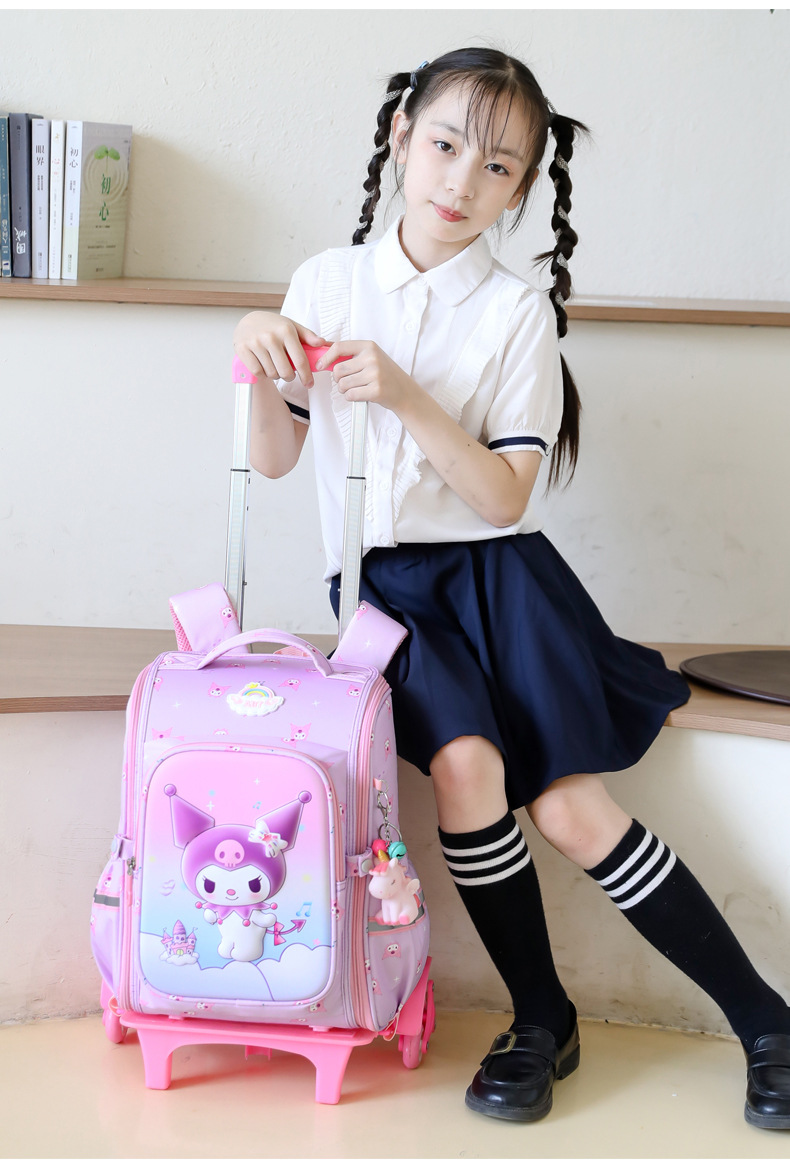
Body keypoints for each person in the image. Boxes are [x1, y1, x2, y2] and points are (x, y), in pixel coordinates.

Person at [233, 47, 790, 1128]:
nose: (460, 181)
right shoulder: (326, 283)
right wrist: (259, 359)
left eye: (496, 167)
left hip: (504, 583)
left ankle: (766, 1021)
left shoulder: (514, 310)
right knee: (466, 770)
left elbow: (501, 497)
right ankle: (543, 1017)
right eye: (445, 146)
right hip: (386, 594)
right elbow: (274, 458)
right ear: (402, 137)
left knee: (574, 811)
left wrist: (404, 394)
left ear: (522, 186)